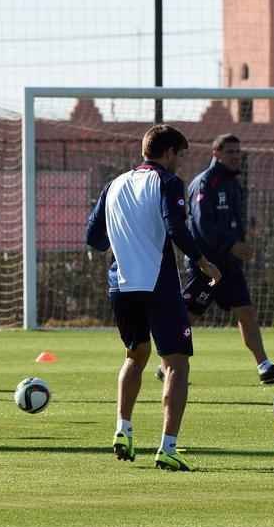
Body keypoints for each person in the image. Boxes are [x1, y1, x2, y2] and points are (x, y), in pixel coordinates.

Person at [86, 125, 221, 471]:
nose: (181, 164)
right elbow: (176, 227)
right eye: (181, 155)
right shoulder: (167, 182)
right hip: (156, 284)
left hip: (120, 283)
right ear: (169, 153)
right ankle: (168, 447)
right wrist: (203, 263)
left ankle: (123, 430)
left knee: (135, 355)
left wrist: (124, 239)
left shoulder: (114, 184)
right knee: (176, 362)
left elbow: (94, 237)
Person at [185, 133, 274, 384]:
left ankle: (264, 367)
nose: (236, 156)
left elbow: (233, 219)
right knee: (187, 317)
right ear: (216, 153)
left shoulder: (234, 183)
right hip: (207, 265)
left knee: (246, 312)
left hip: (230, 266)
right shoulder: (205, 183)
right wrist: (231, 245)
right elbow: (202, 226)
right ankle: (168, 362)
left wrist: (247, 235)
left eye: (238, 152)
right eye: (230, 152)